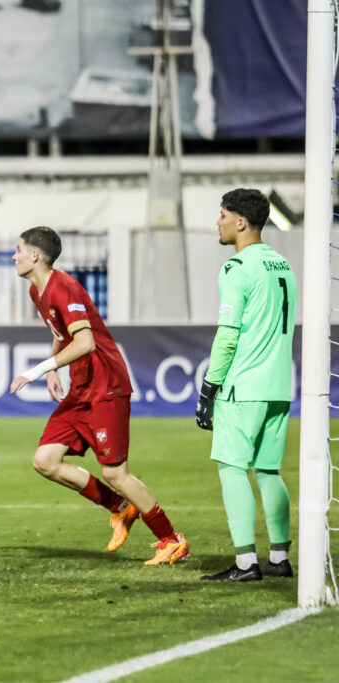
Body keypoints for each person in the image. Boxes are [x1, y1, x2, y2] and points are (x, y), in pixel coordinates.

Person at [9, 226, 188, 565]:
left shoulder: (64, 286)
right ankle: (120, 507)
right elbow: (63, 332)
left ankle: (172, 539)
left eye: (18, 249)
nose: (14, 255)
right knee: (44, 461)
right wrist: (52, 370)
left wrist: (34, 370)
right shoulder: (38, 292)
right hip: (81, 388)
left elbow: (86, 342)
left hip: (106, 386)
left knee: (115, 473)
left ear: (35, 255)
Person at [195, 188, 296, 582]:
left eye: (222, 215)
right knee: (269, 470)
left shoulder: (237, 268)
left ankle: (245, 564)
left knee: (232, 468)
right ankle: (279, 558)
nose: (217, 222)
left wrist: (209, 389)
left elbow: (228, 336)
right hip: (279, 385)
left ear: (240, 222)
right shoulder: (282, 264)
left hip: (243, 385)